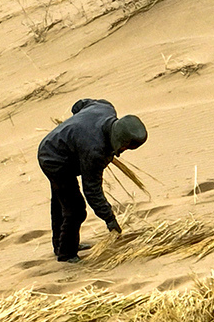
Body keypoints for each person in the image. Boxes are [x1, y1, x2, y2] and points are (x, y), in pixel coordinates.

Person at [36, 99, 147, 264]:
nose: (123, 152)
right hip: (53, 159)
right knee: (76, 209)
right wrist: (109, 218)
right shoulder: (95, 151)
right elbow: (92, 190)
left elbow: (79, 105)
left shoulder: (105, 108)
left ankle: (60, 244)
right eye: (125, 148)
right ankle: (66, 254)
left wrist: (75, 128)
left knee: (61, 201)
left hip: (54, 145)